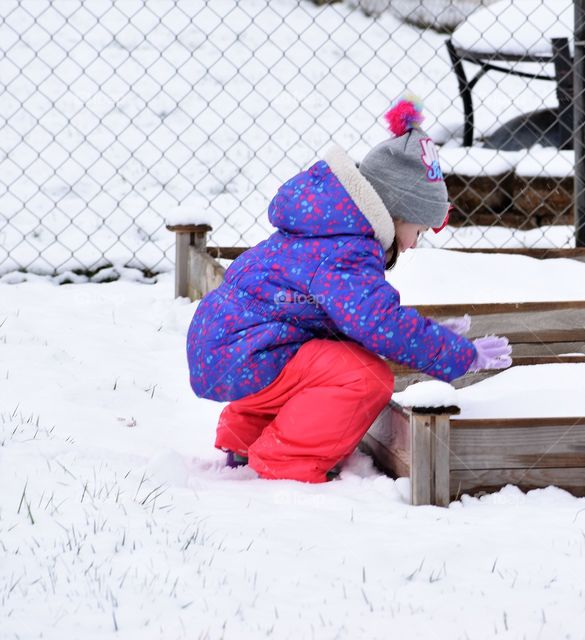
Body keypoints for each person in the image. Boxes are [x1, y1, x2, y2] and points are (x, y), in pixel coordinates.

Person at [185, 96, 511, 483]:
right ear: (396, 211)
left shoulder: (329, 227)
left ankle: (247, 439)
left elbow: (347, 316)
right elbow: (377, 322)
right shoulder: (347, 248)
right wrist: (454, 353)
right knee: (365, 376)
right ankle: (286, 461)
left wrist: (431, 335)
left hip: (232, 348)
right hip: (244, 354)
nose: (413, 243)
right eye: (419, 230)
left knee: (325, 359)